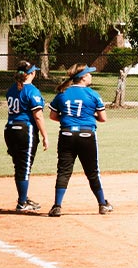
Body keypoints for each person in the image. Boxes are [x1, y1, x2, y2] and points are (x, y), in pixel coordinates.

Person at [48, 66, 113, 216]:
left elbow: (52, 116)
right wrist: (90, 117)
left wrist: (68, 120)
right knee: (92, 172)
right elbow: (103, 118)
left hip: (66, 134)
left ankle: (57, 206)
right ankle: (102, 204)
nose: (91, 76)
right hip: (86, 135)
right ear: (83, 77)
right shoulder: (92, 94)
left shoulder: (63, 93)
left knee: (63, 171)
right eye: (89, 74)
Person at [1, 62, 47, 212]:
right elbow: (38, 116)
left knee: (20, 167)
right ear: (31, 74)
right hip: (24, 131)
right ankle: (22, 203)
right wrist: (45, 136)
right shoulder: (32, 91)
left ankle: (23, 198)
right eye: (34, 72)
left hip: (10, 130)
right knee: (24, 167)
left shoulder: (12, 89)